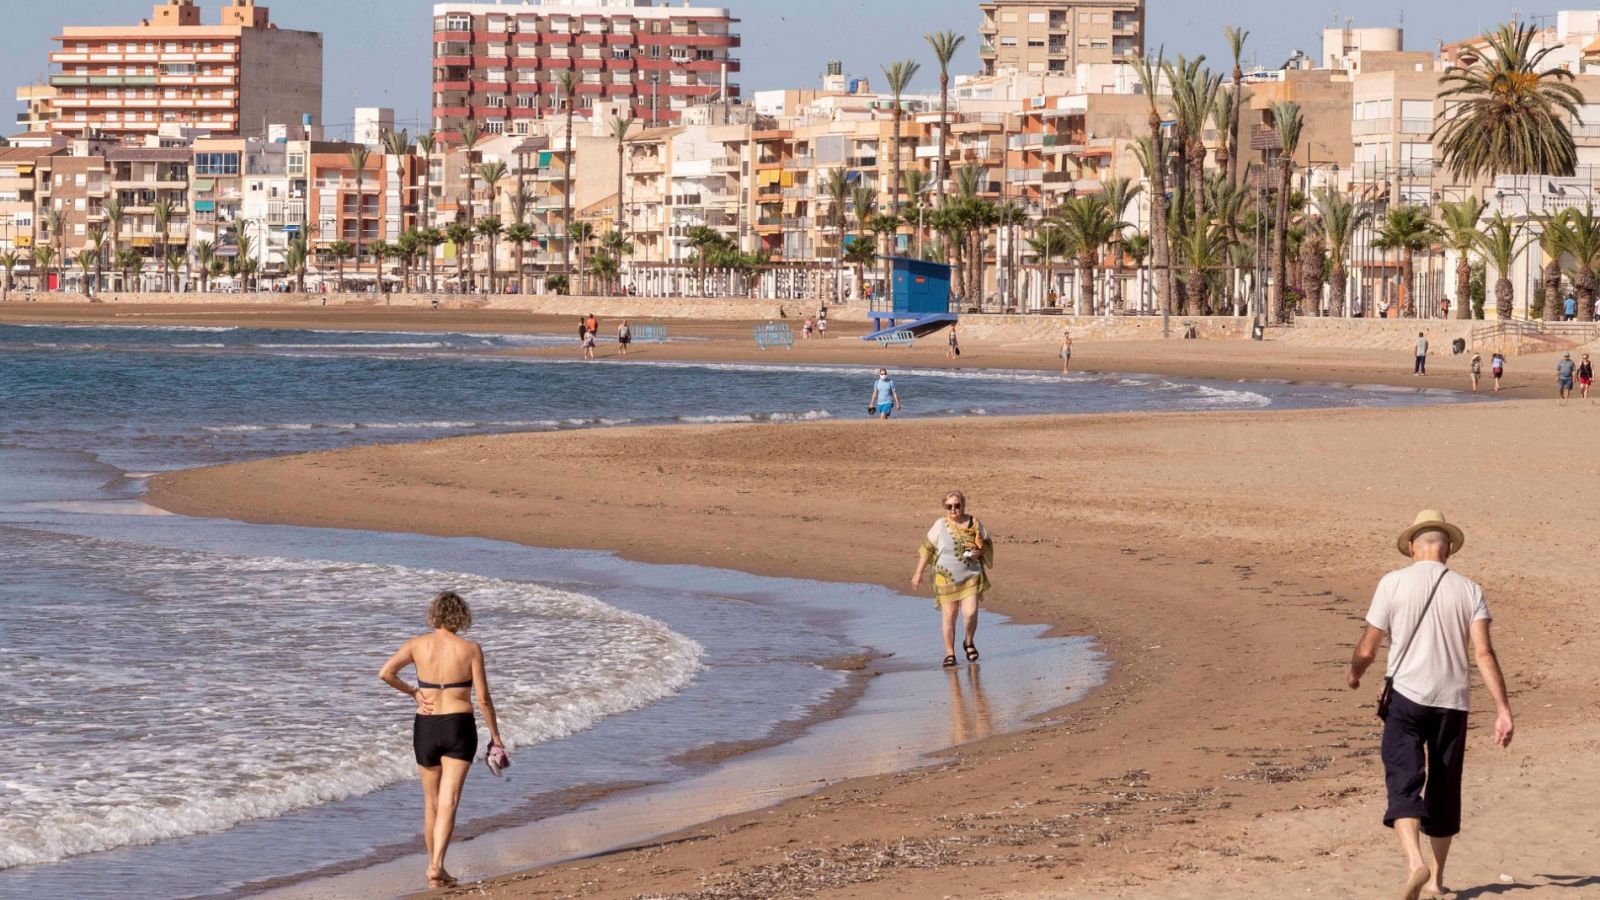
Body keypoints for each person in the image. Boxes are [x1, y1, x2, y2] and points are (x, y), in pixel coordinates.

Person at [1346, 511, 1513, 900]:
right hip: (1453, 701)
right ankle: (1436, 880)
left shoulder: (1393, 582)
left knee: (1403, 778)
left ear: (1410, 548)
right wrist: (1503, 709)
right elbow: (1484, 653)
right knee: (1444, 786)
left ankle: (1413, 863)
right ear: (1449, 549)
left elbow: (1369, 647)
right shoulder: (1470, 590)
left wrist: (1355, 673)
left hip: (1406, 697)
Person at [379, 591, 506, 890]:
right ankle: (437, 866)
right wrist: (496, 737)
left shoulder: (416, 645)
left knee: (431, 801)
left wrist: (413, 692)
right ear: (461, 616)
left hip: (426, 724)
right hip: (459, 725)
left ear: (434, 614)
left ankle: (434, 865)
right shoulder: (470, 648)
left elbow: (386, 673)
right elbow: (484, 699)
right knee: (450, 800)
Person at [911, 491, 994, 668]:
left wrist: (979, 552)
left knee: (970, 612)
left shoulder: (974, 523)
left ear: (963, 505)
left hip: (970, 575)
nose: (953, 509)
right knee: (949, 615)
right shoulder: (940, 525)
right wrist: (918, 573)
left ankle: (969, 641)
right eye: (949, 506)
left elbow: (985, 542)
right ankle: (950, 653)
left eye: (957, 505)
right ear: (945, 508)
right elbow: (927, 549)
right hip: (945, 578)